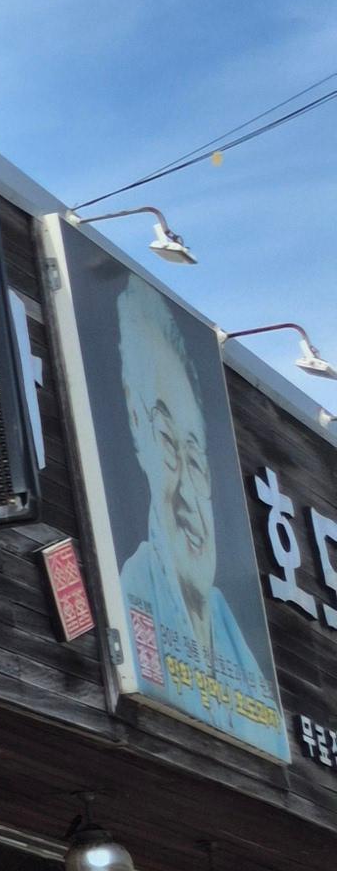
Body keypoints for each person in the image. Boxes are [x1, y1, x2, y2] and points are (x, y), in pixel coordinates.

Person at [109, 274, 275, 748]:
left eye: (197, 457)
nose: (186, 490)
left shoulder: (234, 642)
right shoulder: (136, 591)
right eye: (166, 444)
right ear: (137, 428)